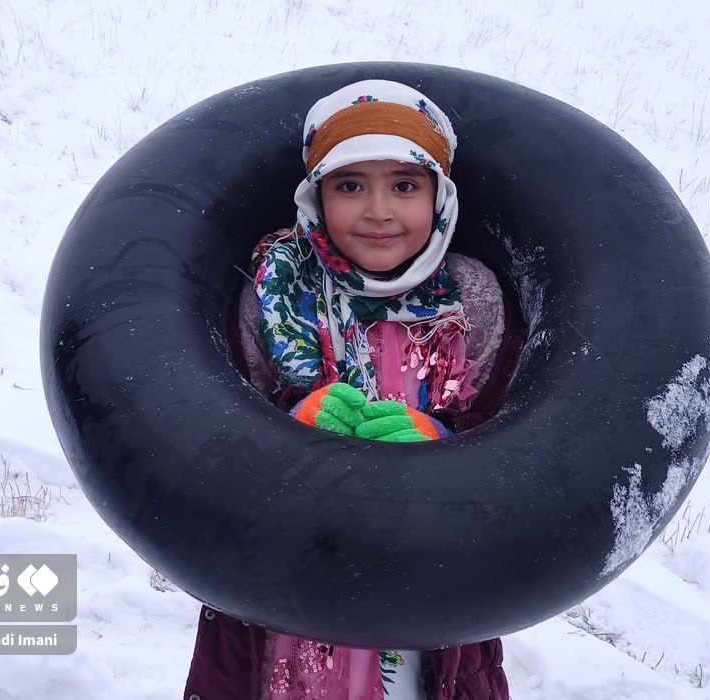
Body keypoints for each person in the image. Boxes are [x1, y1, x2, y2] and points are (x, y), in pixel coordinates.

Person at [184, 79, 518, 700]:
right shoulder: (273, 295)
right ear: (316, 195)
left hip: (430, 585)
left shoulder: (475, 300)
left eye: (404, 185)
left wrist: (445, 448)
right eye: (349, 185)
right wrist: (293, 421)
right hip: (287, 589)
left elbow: (513, 435)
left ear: (439, 195)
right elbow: (215, 432)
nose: (379, 211)